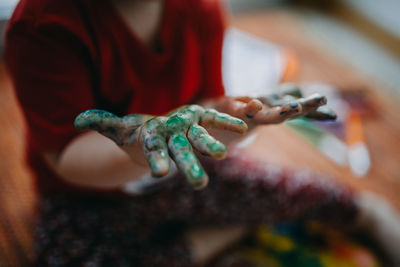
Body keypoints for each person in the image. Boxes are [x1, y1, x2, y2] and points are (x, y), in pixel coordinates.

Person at [4, 0, 334, 265]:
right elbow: (67, 153)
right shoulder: (42, 26)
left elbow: (205, 106)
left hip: (184, 170)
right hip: (88, 196)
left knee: (313, 194)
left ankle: (371, 215)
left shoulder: (201, 7)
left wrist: (242, 118)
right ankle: (229, 230)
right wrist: (136, 146)